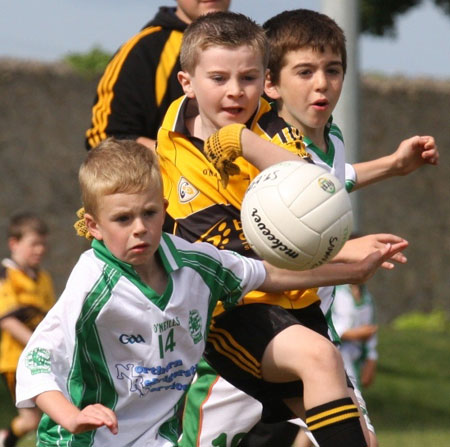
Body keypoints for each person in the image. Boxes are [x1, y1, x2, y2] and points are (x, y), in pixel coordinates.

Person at [14, 139, 398, 447]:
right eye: (122, 219)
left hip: (158, 438)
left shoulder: (196, 263)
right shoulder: (92, 284)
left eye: (149, 214)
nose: (139, 228)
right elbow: (37, 363)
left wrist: (352, 267)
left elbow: (266, 273)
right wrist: (71, 416)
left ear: (165, 210)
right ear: (93, 226)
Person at [155, 11, 409, 447]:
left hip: (300, 307)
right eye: (219, 78)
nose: (236, 91)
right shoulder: (176, 158)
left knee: (361, 436)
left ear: (263, 79)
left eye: (249, 77)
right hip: (234, 313)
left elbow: (319, 189)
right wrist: (345, 262)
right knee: (318, 357)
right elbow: (247, 265)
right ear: (187, 82)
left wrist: (246, 141)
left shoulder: (275, 129)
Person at [261, 8, 439, 447]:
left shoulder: (330, 137)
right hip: (259, 321)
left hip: (312, 323)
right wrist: (346, 252)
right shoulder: (267, 146)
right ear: (271, 83)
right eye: (304, 71)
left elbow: (328, 183)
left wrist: (393, 166)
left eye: (333, 69)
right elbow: (265, 241)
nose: (322, 83)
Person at [85, 0, 230, 151]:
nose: (235, 90)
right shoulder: (143, 50)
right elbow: (105, 138)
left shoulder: (252, 46)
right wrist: (184, 159)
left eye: (248, 77)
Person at [0, 213, 55, 447]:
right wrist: (39, 344)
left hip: (40, 359)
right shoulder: (6, 276)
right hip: (16, 361)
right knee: (33, 419)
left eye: (43, 244)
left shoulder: (43, 278)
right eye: (34, 244)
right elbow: (8, 321)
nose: (39, 249)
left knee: (46, 414)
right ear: (14, 243)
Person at [332, 284, 378, 389]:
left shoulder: (367, 298)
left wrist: (371, 359)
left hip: (356, 359)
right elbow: (325, 322)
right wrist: (352, 334)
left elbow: (371, 330)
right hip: (336, 355)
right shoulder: (334, 291)